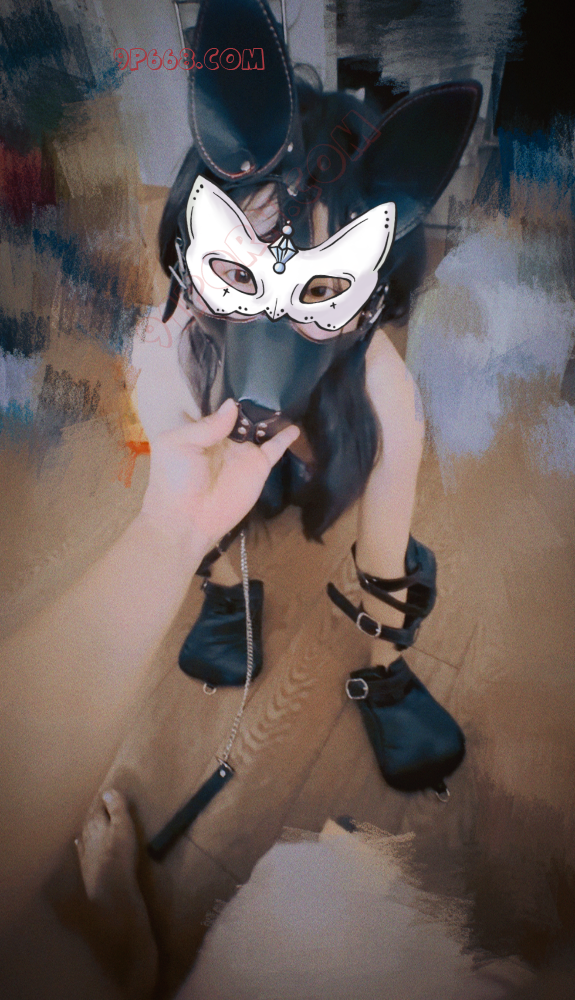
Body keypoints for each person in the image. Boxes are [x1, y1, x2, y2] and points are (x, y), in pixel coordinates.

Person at [131, 0, 483, 811]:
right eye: (238, 273)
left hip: (335, 425)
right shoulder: (172, 348)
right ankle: (228, 595)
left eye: (318, 289)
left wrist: (384, 665)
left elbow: (384, 553)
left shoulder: (385, 396)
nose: (265, 321)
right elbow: (179, 493)